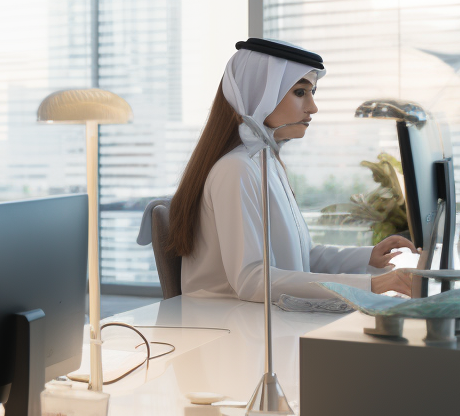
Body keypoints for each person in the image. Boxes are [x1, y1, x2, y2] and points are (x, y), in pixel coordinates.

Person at [162, 39, 417, 302]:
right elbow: (252, 281)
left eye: (312, 93)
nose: (312, 107)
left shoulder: (266, 161)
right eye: (300, 92)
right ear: (259, 93)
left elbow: (301, 257)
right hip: (231, 328)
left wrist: (368, 257)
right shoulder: (235, 169)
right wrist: (372, 285)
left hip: (261, 320)